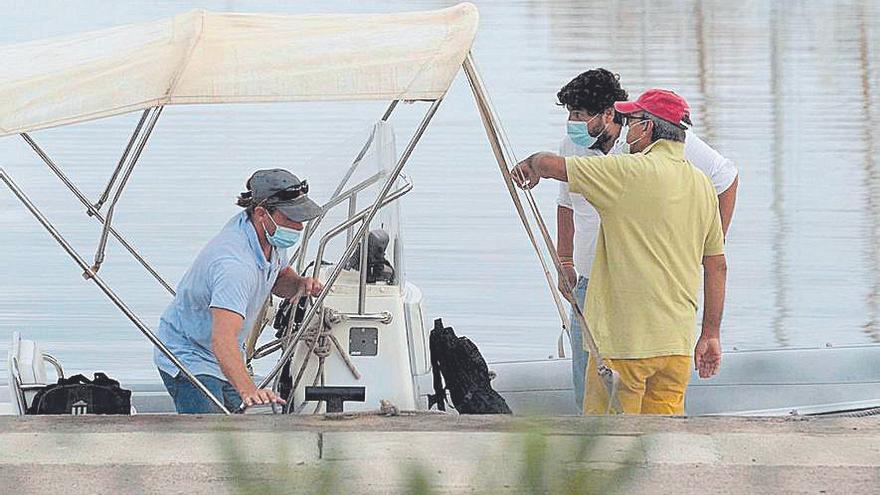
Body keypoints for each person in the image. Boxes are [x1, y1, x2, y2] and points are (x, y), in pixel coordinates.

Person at [514, 89, 728, 415]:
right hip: (677, 348)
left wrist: (532, 163)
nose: (628, 129)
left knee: (608, 447)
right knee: (663, 445)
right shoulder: (701, 186)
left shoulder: (625, 171)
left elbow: (555, 167)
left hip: (624, 347)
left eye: (632, 121)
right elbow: (717, 267)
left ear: (648, 129)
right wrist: (710, 333)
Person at [154, 169, 323, 414]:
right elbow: (222, 339)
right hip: (190, 355)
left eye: (301, 219)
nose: (298, 226)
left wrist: (299, 283)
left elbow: (277, 276)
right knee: (212, 441)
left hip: (223, 353)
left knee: (239, 434)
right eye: (291, 218)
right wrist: (249, 390)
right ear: (262, 213)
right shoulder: (234, 265)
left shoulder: (266, 234)